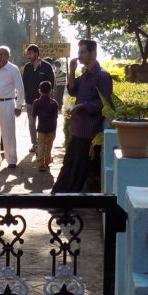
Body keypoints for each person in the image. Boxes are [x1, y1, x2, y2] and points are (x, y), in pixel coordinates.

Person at [52, 39, 113, 194]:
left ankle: (67, 204)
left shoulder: (103, 76)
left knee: (79, 169)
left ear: (93, 53)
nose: (79, 56)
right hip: (77, 128)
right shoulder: (84, 74)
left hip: (90, 130)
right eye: (79, 52)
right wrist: (72, 70)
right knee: (68, 163)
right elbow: (72, 91)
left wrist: (83, 106)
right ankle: (57, 196)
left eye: (83, 52)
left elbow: (104, 103)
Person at [0, 45, 24, 168]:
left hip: (7, 103)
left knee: (8, 132)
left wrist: (18, 106)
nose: (0, 56)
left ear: (8, 56)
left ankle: (11, 160)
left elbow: (20, 89)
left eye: (3, 54)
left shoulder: (13, 69)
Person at [21, 44, 55, 155]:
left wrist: (49, 97)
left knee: (44, 122)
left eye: (30, 54)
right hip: (30, 101)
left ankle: (44, 145)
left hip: (44, 101)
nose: (29, 56)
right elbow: (24, 84)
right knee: (31, 122)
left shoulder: (47, 67)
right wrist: (22, 98)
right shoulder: (27, 67)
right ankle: (35, 144)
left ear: (36, 53)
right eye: (27, 54)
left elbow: (51, 83)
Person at [31, 80, 60, 173]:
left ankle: (41, 164)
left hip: (41, 128)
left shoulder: (36, 102)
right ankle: (47, 161)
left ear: (39, 91)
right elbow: (56, 116)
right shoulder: (54, 103)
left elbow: (33, 115)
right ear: (51, 91)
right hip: (52, 128)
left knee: (40, 145)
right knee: (49, 145)